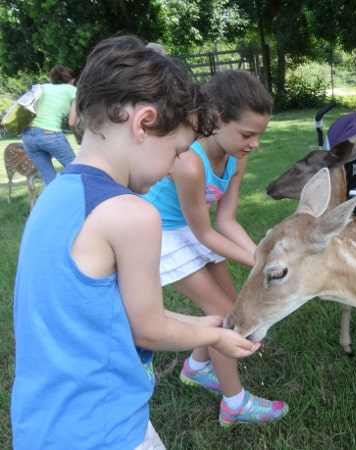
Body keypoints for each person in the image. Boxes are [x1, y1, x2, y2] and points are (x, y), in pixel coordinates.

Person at [11, 35, 262, 449]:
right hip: (106, 429)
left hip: (44, 426)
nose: (171, 168)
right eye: (177, 150)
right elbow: (150, 332)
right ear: (143, 123)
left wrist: (206, 323)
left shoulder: (54, 197)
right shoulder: (133, 214)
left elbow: (113, 320)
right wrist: (216, 339)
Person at [142, 70, 289, 427]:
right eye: (247, 134)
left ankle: (195, 367)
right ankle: (234, 404)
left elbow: (227, 221)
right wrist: (260, 265)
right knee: (226, 316)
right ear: (217, 118)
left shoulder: (237, 156)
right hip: (162, 236)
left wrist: (264, 257)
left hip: (195, 230)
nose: (254, 143)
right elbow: (205, 233)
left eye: (259, 135)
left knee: (233, 304)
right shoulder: (189, 163)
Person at [21, 65, 79, 185]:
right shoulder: (73, 90)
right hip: (49, 135)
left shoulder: (41, 87)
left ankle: (54, 202)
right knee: (77, 172)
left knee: (49, 179)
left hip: (27, 137)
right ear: (72, 81)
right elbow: (72, 122)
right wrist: (79, 138)